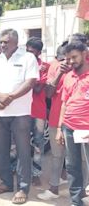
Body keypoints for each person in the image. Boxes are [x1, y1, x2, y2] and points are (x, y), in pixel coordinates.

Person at [0, 29, 39, 204]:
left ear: (16, 42)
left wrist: (10, 98)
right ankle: (6, 182)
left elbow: (30, 82)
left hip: (20, 114)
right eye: (1, 42)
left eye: (6, 42)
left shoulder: (27, 58)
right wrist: (1, 97)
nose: (2, 45)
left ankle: (23, 187)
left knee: (23, 151)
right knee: (1, 150)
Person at [56, 41, 89, 206]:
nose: (70, 62)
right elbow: (64, 102)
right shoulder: (68, 76)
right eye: (67, 59)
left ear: (85, 54)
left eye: (74, 57)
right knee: (72, 166)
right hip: (69, 127)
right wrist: (59, 128)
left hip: (88, 128)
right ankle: (76, 201)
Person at [37, 42, 70, 200]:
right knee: (57, 156)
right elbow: (49, 93)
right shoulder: (55, 66)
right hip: (56, 119)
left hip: (80, 122)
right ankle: (54, 188)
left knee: (83, 159)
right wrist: (60, 74)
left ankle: (82, 192)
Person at [25, 37, 50, 187]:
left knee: (38, 144)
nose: (29, 55)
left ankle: (36, 174)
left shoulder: (44, 67)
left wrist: (34, 74)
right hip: (22, 110)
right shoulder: (22, 64)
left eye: (32, 53)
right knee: (17, 142)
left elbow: (38, 89)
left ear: (39, 53)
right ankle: (15, 168)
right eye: (27, 51)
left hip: (38, 112)